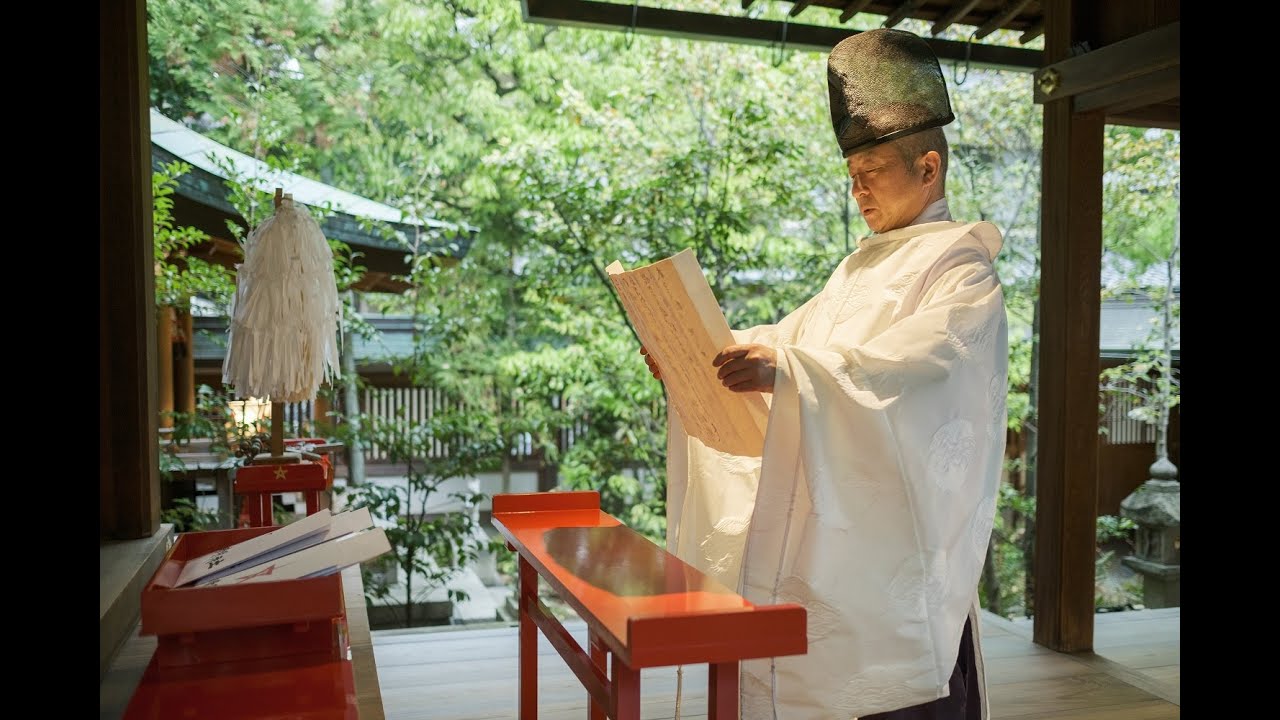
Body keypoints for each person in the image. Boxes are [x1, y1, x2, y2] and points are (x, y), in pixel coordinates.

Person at [641, 28, 1009, 719]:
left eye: (872, 174)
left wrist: (792, 372)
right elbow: (796, 338)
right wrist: (699, 355)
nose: (857, 191)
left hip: (893, 546)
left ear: (928, 168)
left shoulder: (961, 269)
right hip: (832, 539)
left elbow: (927, 366)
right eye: (852, 177)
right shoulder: (862, 263)